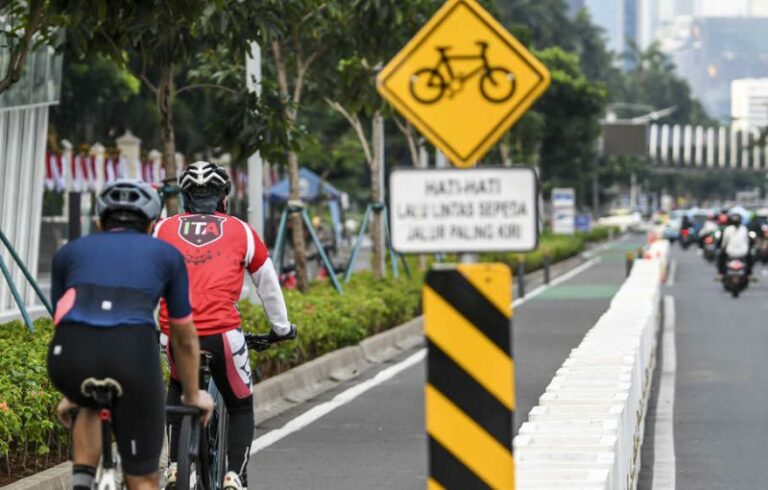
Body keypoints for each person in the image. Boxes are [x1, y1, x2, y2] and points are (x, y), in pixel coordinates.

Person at [47, 179, 213, 490]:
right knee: (144, 477)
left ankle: (81, 481)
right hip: (132, 354)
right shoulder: (166, 255)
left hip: (68, 356)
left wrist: (71, 393)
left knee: (87, 401)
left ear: (99, 221)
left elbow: (65, 321)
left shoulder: (68, 253)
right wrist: (192, 394)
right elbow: (184, 337)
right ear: (152, 223)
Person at [155, 161, 296, 490]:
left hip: (174, 332)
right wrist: (281, 328)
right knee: (240, 404)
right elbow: (268, 285)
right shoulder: (241, 230)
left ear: (185, 198)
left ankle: (175, 466)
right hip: (223, 333)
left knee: (178, 384)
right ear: (224, 199)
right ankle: (235, 475)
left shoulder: (163, 228)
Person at [718, 212, 752, 279]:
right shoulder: (744, 229)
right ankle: (749, 274)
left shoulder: (727, 229)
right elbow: (748, 241)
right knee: (750, 258)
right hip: (743, 252)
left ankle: (721, 273)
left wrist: (721, 248)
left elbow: (724, 242)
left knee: (720, 257)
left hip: (730, 252)